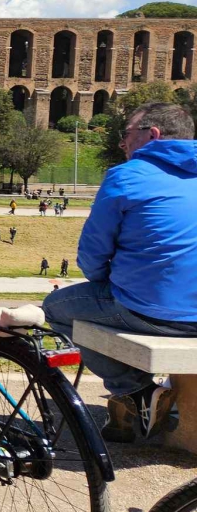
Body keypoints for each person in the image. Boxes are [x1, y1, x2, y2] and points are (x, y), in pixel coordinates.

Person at [43, 103, 197, 442]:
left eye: (126, 134)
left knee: (55, 308)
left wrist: (105, 280)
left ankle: (136, 390)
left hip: (152, 310)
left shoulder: (128, 176)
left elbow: (93, 255)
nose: (122, 143)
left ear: (152, 135)